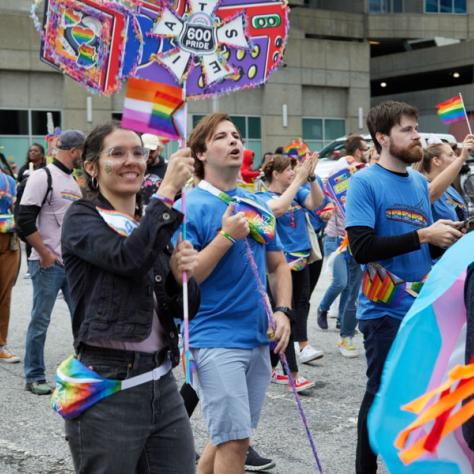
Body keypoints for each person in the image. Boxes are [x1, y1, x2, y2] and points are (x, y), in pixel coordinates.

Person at [61, 123, 199, 473]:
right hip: (108, 383)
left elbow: (186, 308)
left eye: (138, 152)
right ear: (92, 167)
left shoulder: (147, 222)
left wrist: (177, 274)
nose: (131, 161)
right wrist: (166, 193)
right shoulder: (81, 218)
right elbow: (127, 259)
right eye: (117, 153)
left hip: (162, 381)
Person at [345, 100, 465, 474]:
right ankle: (364, 469)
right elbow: (361, 248)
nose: (418, 136)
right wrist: (424, 234)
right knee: (379, 391)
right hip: (382, 310)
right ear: (382, 137)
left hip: (421, 306)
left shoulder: (417, 182)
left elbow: (420, 242)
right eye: (408, 130)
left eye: (416, 128)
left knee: (420, 393)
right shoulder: (364, 182)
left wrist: (448, 237)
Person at [175, 113, 291, 474]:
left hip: (258, 336)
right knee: (237, 442)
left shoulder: (255, 202)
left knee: (229, 436)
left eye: (237, 135)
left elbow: (278, 265)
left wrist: (284, 310)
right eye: (221, 137)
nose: (234, 141)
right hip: (213, 336)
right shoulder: (187, 207)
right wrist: (226, 237)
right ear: (200, 154)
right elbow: (186, 278)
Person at [16, 130, 85, 395]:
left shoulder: (72, 180)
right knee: (40, 320)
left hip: (71, 263)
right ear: (74, 151)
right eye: (82, 150)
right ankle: (34, 375)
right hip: (47, 263)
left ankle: (82, 371)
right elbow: (24, 220)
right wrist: (44, 253)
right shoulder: (41, 177)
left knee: (82, 318)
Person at [258, 153, 324, 390]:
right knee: (285, 315)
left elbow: (317, 203)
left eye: (295, 170)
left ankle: (272, 368)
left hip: (303, 260)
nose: (293, 174)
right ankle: (293, 375)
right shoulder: (262, 197)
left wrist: (312, 177)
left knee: (300, 310)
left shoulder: (298, 192)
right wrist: (301, 179)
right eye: (289, 170)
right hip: (281, 267)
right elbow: (279, 207)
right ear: (275, 174)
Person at [317, 135, 367, 358]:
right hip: (335, 240)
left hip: (355, 242)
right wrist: (331, 206)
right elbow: (320, 204)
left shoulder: (364, 186)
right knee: (341, 282)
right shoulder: (334, 184)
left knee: (352, 291)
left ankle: (345, 336)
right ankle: (323, 307)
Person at [416, 135, 474, 222]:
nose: (456, 158)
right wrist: (462, 158)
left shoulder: (449, 189)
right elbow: (431, 194)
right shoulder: (422, 186)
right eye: (451, 155)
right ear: (436, 161)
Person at [0, 167, 20, 363]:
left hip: (8, 238)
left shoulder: (8, 180)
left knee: (4, 294)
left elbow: (17, 208)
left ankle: (0, 344)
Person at [141, 133, 168, 205]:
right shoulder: (136, 167)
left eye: (151, 151)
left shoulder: (168, 169)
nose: (148, 155)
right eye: (145, 151)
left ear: (158, 150)